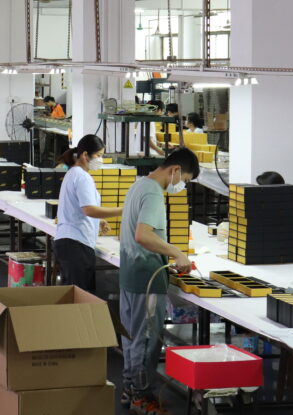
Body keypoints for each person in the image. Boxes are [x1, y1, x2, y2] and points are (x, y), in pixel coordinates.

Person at [119, 147, 199, 414]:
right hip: (146, 280)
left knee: (132, 336)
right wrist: (177, 252)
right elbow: (143, 235)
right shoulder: (153, 193)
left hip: (130, 274)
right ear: (175, 170)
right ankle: (142, 396)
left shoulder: (139, 185)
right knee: (146, 339)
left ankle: (130, 389)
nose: (181, 186)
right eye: (185, 180)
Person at [54, 134, 124, 293]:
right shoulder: (82, 176)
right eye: (99, 155)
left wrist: (98, 221)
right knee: (80, 298)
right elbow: (89, 209)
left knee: (73, 295)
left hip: (69, 241)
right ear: (85, 155)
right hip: (76, 244)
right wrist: (123, 210)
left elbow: (79, 208)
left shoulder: (73, 173)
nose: (101, 159)